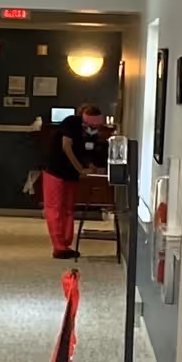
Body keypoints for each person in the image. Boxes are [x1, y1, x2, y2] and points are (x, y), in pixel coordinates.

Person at [41, 102, 108, 260]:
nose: (92, 128)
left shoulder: (91, 133)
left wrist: (90, 166)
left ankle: (66, 244)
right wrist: (80, 169)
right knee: (55, 209)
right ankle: (59, 247)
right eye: (90, 124)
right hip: (55, 169)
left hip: (70, 173)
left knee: (68, 209)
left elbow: (86, 152)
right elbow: (67, 147)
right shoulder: (71, 122)